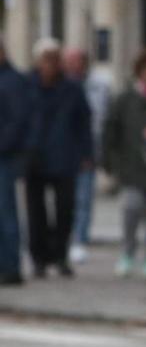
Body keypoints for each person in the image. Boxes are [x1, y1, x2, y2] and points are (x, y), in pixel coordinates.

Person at [99, 50, 146, 281]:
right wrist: (109, 163)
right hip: (132, 166)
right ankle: (128, 251)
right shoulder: (125, 100)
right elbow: (110, 132)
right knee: (131, 208)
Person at [22, 39, 91, 279]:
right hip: (34, 157)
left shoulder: (72, 88)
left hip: (64, 156)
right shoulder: (27, 85)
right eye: (46, 59)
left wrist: (86, 154)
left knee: (65, 209)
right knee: (35, 212)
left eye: (54, 59)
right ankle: (39, 257)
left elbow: (84, 122)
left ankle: (60, 255)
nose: (50, 65)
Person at [62, 45, 110, 266]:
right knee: (65, 200)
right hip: (62, 153)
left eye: (76, 61)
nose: (73, 65)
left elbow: (104, 121)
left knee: (84, 199)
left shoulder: (99, 86)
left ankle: (79, 240)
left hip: (88, 150)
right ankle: (65, 239)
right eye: (69, 61)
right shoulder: (59, 86)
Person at [0, 41, 30, 285]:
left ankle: (11, 266)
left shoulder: (13, 81)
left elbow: (17, 121)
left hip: (5, 157)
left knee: (6, 212)